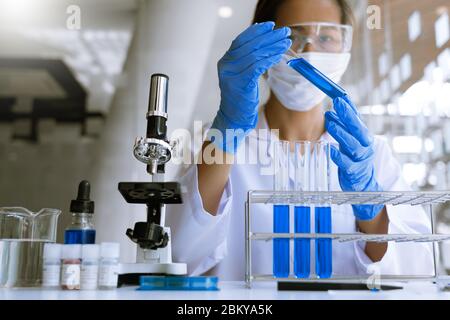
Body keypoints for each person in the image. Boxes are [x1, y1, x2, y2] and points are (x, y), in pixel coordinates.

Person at [166, 0, 434, 280]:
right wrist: (228, 128)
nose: (310, 52)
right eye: (293, 37)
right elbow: (180, 254)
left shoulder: (370, 155)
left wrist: (371, 209)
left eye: (326, 37)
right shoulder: (220, 140)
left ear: (345, 47)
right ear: (261, 48)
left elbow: (416, 270)